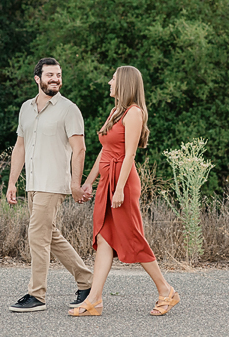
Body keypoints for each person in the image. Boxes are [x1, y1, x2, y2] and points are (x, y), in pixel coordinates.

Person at [68, 65, 180, 317]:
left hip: (123, 183)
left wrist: (119, 189)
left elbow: (130, 154)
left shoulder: (134, 113)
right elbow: (105, 150)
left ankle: (166, 291)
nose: (109, 82)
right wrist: (89, 181)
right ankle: (94, 300)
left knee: (132, 237)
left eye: (113, 79)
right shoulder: (115, 112)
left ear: (125, 84)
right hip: (107, 181)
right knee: (103, 238)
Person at [7, 57, 94, 312]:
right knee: (49, 235)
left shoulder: (69, 109)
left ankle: (37, 295)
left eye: (58, 75)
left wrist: (75, 184)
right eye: (50, 75)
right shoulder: (26, 108)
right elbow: (20, 147)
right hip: (33, 183)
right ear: (38, 79)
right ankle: (87, 281)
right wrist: (12, 182)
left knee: (37, 235)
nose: (56, 79)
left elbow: (80, 149)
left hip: (53, 183)